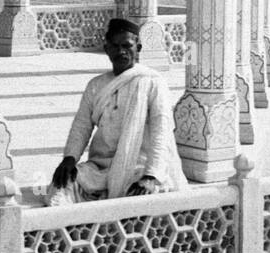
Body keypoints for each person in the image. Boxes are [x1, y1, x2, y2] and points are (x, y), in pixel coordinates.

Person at [46, 18, 187, 204]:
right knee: (60, 186)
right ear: (106, 49)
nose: (121, 51)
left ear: (138, 47)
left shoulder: (153, 82)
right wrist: (70, 159)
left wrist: (151, 176)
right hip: (101, 167)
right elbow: (81, 125)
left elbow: (161, 131)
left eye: (127, 46)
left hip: (140, 167)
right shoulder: (96, 85)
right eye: (114, 46)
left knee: (142, 201)